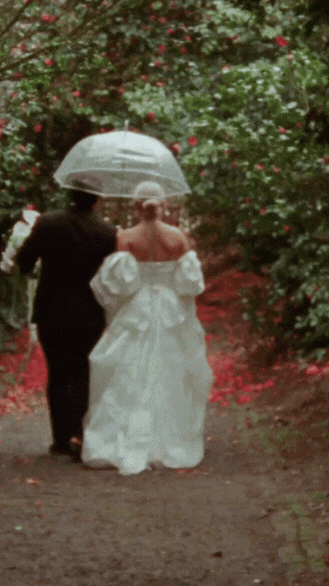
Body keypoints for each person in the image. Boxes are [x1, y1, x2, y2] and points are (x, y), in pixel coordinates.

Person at [81, 181, 214, 475]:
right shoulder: (177, 236)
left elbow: (123, 285)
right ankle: (170, 437)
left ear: (136, 206)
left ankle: (121, 436)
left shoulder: (126, 237)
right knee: (172, 370)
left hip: (138, 309)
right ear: (162, 204)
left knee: (127, 371)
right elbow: (188, 284)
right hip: (170, 311)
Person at [16, 187, 117, 460]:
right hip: (90, 312)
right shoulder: (107, 232)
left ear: (71, 196)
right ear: (97, 198)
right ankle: (80, 435)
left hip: (52, 310)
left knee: (58, 372)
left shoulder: (48, 223)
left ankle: (60, 439)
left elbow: (25, 261)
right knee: (84, 372)